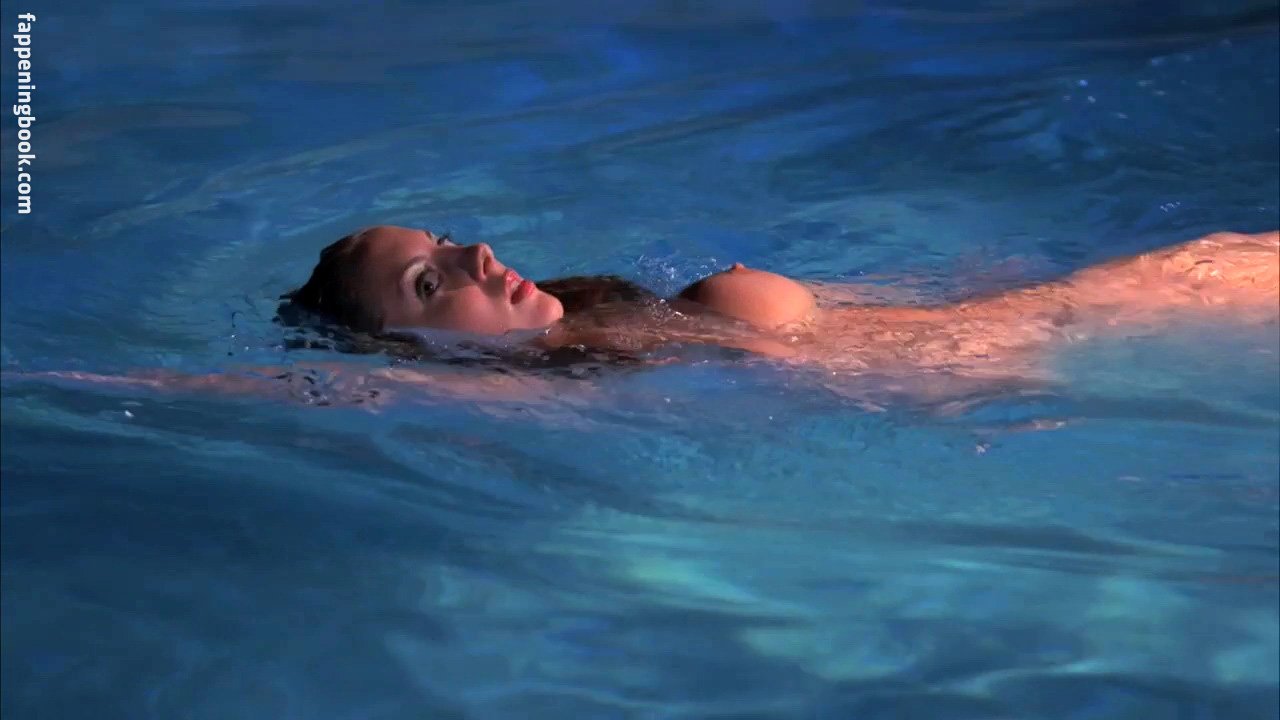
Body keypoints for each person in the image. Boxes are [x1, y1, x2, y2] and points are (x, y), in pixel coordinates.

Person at [21, 225, 1280, 405]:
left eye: (450, 240)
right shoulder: (499, 393)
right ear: (409, 349)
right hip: (1056, 345)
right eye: (431, 282)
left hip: (1051, 316)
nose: (477, 253)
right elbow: (273, 397)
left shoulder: (611, 310)